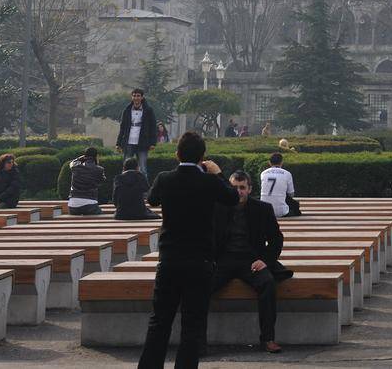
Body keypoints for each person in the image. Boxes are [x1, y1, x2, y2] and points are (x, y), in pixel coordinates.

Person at [138, 132, 239, 369]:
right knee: (192, 325)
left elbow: (152, 200)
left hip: (170, 259)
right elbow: (233, 197)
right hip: (200, 261)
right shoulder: (210, 181)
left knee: (159, 322)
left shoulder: (165, 179)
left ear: (177, 154)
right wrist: (218, 172)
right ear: (202, 157)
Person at [210, 170, 292, 354]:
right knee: (201, 287)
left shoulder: (262, 209)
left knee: (268, 284)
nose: (238, 191)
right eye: (234, 188)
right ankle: (197, 340)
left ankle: (268, 339)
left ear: (249, 189)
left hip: (252, 261)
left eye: (242, 188)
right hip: (224, 260)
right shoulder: (218, 208)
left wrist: (265, 260)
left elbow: (276, 239)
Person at [117, 88, 160, 177]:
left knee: (143, 169)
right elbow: (122, 127)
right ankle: (123, 188)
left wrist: (153, 142)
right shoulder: (127, 110)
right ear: (131, 97)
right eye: (134, 96)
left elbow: (153, 127)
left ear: (142, 97)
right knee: (126, 168)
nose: (136, 98)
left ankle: (144, 190)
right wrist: (118, 143)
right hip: (129, 142)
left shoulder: (148, 110)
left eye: (138, 96)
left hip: (142, 143)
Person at [113, 155, 156, 220]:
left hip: (121, 214)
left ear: (124, 167)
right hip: (139, 212)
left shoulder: (118, 178)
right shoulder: (141, 176)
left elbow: (115, 198)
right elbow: (147, 190)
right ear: (137, 167)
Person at [68, 147, 105, 215]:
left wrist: (80, 158)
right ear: (96, 156)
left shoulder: (75, 167)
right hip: (90, 203)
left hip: (73, 204)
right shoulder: (99, 169)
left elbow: (71, 163)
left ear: (85, 157)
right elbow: (101, 181)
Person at [260, 153, 295, 219]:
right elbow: (291, 194)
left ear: (269, 162)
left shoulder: (263, 173)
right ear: (281, 162)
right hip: (282, 212)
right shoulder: (287, 174)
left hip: (264, 210)